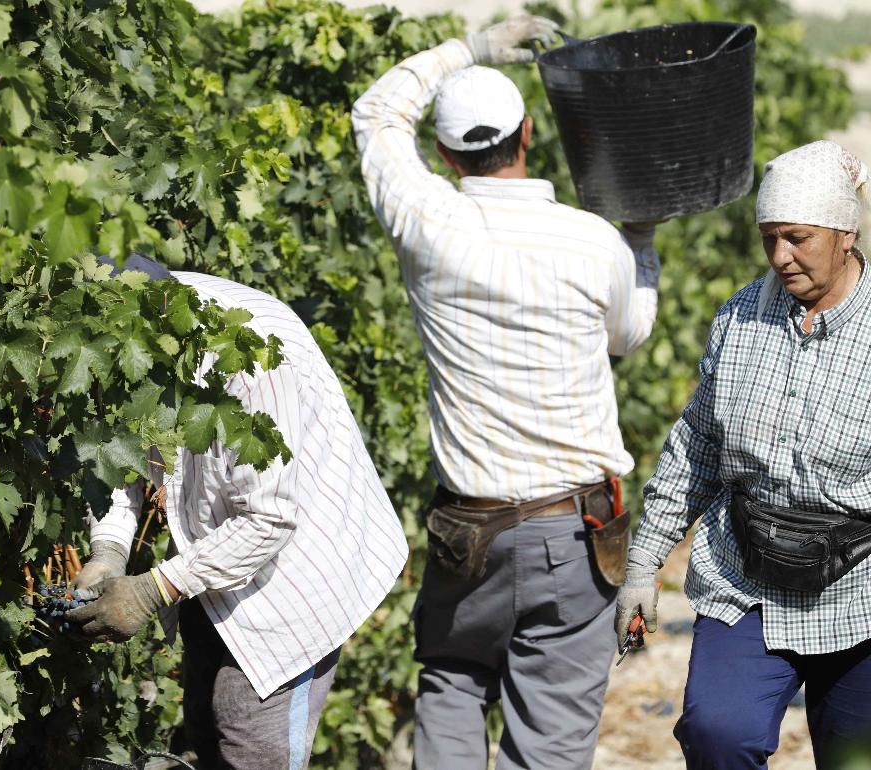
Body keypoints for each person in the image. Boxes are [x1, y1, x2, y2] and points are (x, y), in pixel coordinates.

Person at [352, 15, 663, 769]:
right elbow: (630, 335)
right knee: (551, 741)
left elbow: (375, 110)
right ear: (528, 135)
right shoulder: (595, 242)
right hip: (574, 531)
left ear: (443, 154)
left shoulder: (427, 222)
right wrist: (644, 245)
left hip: (468, 534)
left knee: (453, 682)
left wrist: (472, 45)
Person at [68, 258, 409, 770]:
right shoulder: (118, 329)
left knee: (251, 746)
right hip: (213, 555)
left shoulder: (249, 368)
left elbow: (269, 519)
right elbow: (121, 455)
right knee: (206, 733)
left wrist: (151, 589)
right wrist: (110, 549)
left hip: (296, 572)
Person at [617, 141, 871, 769]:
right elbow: (695, 449)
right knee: (716, 732)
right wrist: (644, 566)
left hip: (858, 590)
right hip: (747, 577)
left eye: (797, 238)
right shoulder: (741, 320)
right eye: (768, 239)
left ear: (846, 234)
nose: (779, 257)